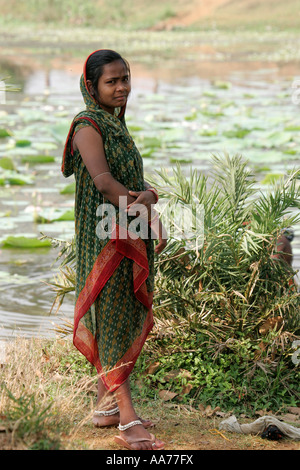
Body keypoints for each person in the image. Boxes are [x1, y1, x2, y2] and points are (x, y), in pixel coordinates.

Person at [61, 49, 167, 450]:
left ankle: (106, 407)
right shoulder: (88, 124)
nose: (122, 87)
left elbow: (129, 180)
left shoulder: (116, 125)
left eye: (125, 78)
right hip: (104, 236)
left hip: (124, 227)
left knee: (122, 312)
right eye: (112, 81)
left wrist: (150, 196)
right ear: (91, 86)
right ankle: (127, 421)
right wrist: (145, 214)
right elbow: (105, 183)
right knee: (111, 316)